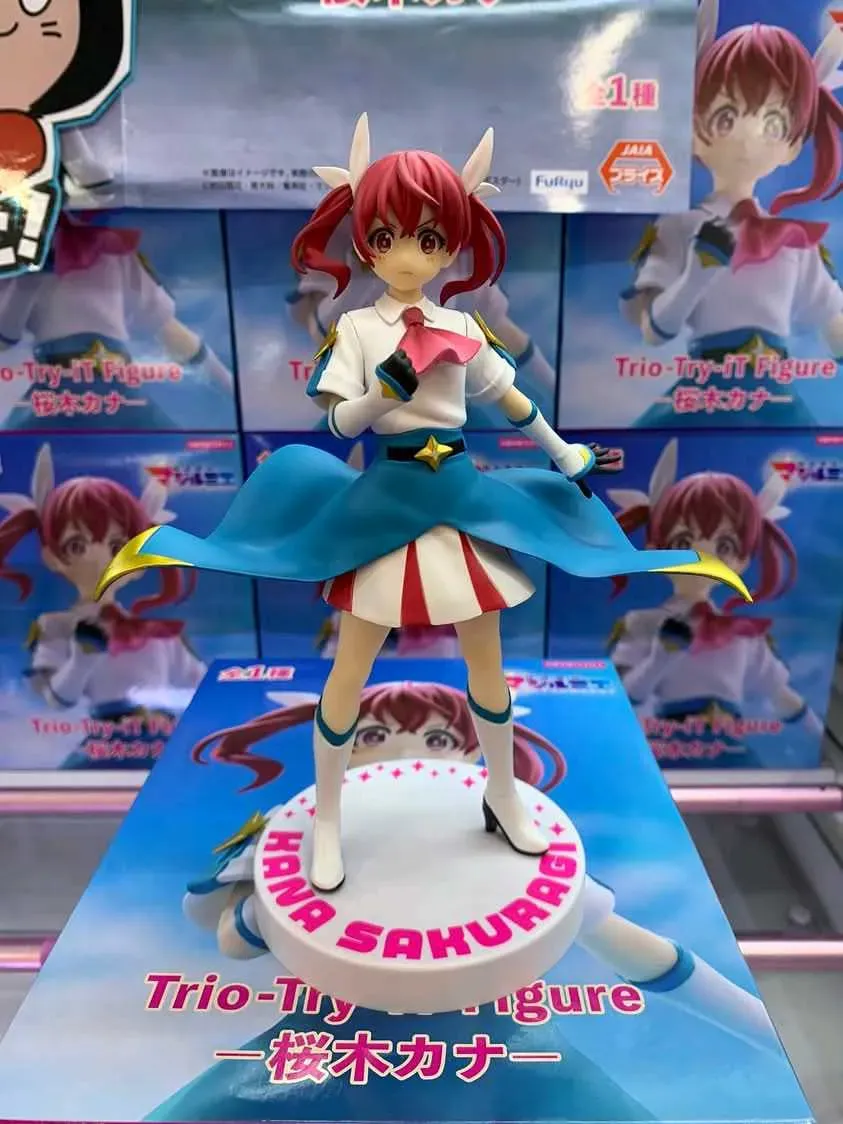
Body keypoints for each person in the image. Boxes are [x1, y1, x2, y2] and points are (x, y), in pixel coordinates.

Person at [95, 113, 749, 893]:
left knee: (487, 665)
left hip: (460, 500)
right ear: (364, 242)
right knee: (349, 668)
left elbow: (512, 401)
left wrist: (563, 453)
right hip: (385, 504)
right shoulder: (356, 328)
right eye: (388, 236)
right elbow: (338, 424)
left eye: (430, 238)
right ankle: (328, 818)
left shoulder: (461, 324)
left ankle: (502, 794)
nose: (408, 255)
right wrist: (385, 392)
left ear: (452, 245)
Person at [149, 683, 779, 1124]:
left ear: (473, 752)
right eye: (373, 735)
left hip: (497, 1043)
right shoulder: (299, 831)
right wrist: (270, 912)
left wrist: (759, 1026)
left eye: (437, 738)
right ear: (341, 745)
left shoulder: (518, 840)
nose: (406, 755)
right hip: (333, 1038)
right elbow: (229, 939)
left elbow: (634, 949)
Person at [621, 0, 843, 427]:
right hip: (702, 392)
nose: (748, 137)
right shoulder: (679, 226)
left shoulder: (794, 240)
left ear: (793, 145)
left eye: (774, 124)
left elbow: (833, 325)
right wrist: (696, 275)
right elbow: (654, 330)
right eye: (726, 117)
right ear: (694, 129)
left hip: (775, 398)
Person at [607, 438, 822, 762]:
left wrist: (821, 746)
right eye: (683, 543)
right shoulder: (641, 623)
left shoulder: (745, 634)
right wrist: (659, 659)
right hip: (663, 750)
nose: (702, 558)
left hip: (730, 755)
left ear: (743, 561)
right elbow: (622, 699)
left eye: (724, 547)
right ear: (654, 552)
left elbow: (781, 697)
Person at [0, 444, 205, 769]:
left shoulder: (160, 635)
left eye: (117, 546)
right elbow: (56, 700)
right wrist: (81, 660)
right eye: (77, 545)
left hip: (166, 746)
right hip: (106, 748)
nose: (100, 559)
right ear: (53, 558)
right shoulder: (56, 627)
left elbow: (203, 687)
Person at [0, 213, 233, 429]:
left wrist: (230, 385)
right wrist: (229, 384)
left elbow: (171, 332)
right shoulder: (23, 256)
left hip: (96, 387)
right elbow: (172, 332)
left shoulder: (113, 249)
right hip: (83, 388)